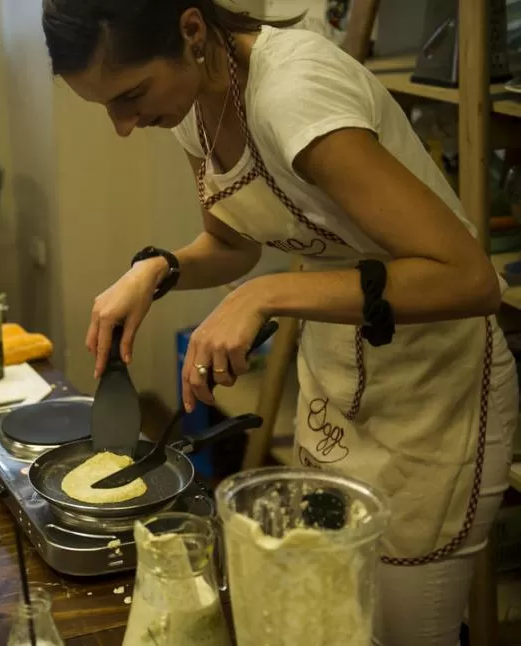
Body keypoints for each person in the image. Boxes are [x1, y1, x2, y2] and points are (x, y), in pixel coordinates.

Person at [42, 1, 519, 644]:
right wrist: (154, 270)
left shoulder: (295, 94)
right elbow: (233, 242)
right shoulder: (192, 107)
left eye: (131, 95)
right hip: (341, 381)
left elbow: (469, 278)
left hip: (431, 393)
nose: (125, 125)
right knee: (339, 613)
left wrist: (268, 292)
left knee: (403, 628)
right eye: (106, 107)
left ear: (191, 33)